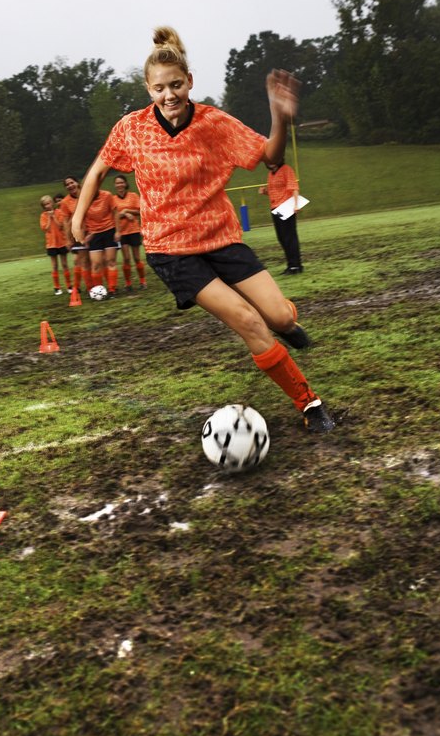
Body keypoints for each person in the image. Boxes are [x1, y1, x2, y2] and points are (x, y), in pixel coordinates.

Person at [72, 27, 334, 433]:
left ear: (189, 81)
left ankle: (285, 328)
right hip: (171, 250)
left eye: (176, 85)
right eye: (159, 88)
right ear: (148, 88)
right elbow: (100, 168)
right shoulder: (132, 128)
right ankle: (309, 403)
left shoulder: (214, 123)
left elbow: (270, 157)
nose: (169, 95)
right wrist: (78, 217)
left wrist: (279, 117)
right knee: (249, 321)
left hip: (221, 238)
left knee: (279, 317)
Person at [258, 161, 303, 274]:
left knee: (289, 237)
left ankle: (295, 266)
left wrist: (296, 204)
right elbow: (274, 192)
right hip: (275, 208)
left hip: (286, 206)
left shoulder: (286, 169)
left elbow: (294, 187)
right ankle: (291, 264)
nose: (271, 163)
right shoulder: (271, 174)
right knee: (282, 237)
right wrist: (265, 192)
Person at [82, 187, 121, 297]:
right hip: (94, 234)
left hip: (109, 231)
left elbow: (115, 212)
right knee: (96, 264)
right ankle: (98, 290)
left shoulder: (107, 195)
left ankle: (112, 289)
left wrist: (118, 231)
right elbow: (82, 217)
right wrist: (86, 234)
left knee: (111, 261)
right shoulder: (85, 199)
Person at [59, 176, 93, 295]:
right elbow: (66, 222)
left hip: (93, 231)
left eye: (71, 182)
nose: (70, 186)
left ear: (77, 183)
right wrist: (68, 239)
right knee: (84, 261)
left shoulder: (87, 194)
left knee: (96, 260)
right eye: (67, 184)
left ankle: (101, 286)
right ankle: (89, 289)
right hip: (79, 234)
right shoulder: (65, 202)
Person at [112, 174, 147, 291]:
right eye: (117, 183)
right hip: (122, 232)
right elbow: (112, 216)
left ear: (125, 184)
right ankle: (128, 283)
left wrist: (128, 210)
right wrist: (124, 213)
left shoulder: (133, 196)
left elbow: (141, 210)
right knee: (126, 258)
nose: (119, 185)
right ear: (115, 185)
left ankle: (142, 281)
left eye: (121, 182)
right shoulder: (113, 199)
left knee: (137, 258)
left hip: (134, 230)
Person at [39, 194, 72, 295]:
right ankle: (57, 287)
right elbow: (46, 229)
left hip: (61, 242)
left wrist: (54, 217)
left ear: (52, 203)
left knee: (65, 264)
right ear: (43, 206)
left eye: (49, 203)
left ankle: (69, 286)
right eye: (45, 205)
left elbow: (61, 226)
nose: (48, 206)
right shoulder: (43, 216)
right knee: (54, 266)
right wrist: (49, 218)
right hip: (51, 244)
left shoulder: (59, 212)